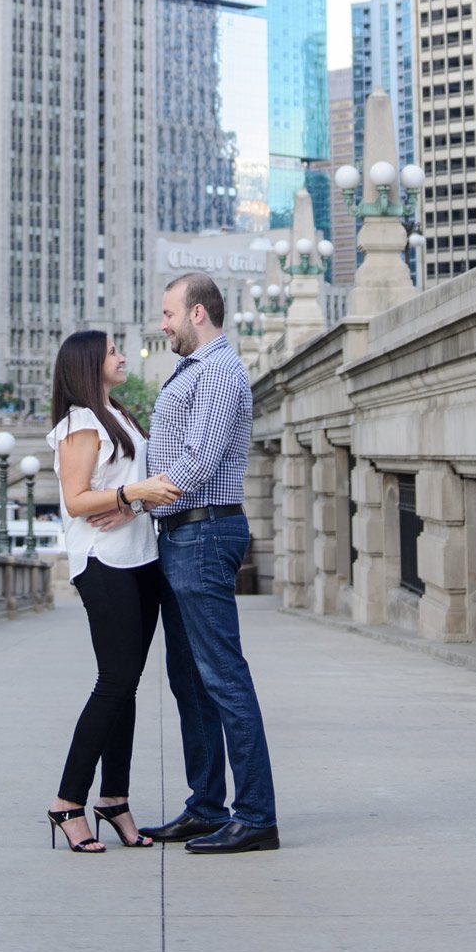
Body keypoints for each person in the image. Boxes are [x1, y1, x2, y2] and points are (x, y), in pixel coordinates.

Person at [140, 274, 280, 853]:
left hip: (203, 532)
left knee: (223, 677)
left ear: (198, 313)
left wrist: (137, 496)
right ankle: (205, 807)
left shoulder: (221, 372)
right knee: (189, 681)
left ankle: (255, 816)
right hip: (180, 536)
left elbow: (200, 459)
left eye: (169, 313)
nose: (163, 323)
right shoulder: (194, 370)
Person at [45, 329, 179, 853]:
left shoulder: (116, 413)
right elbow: (76, 500)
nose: (123, 358)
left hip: (140, 556)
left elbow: (125, 490)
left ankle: (114, 799)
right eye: (113, 353)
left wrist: (131, 503)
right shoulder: (80, 422)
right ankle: (67, 803)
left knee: (128, 685)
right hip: (103, 563)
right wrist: (134, 491)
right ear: (88, 364)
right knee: (114, 681)